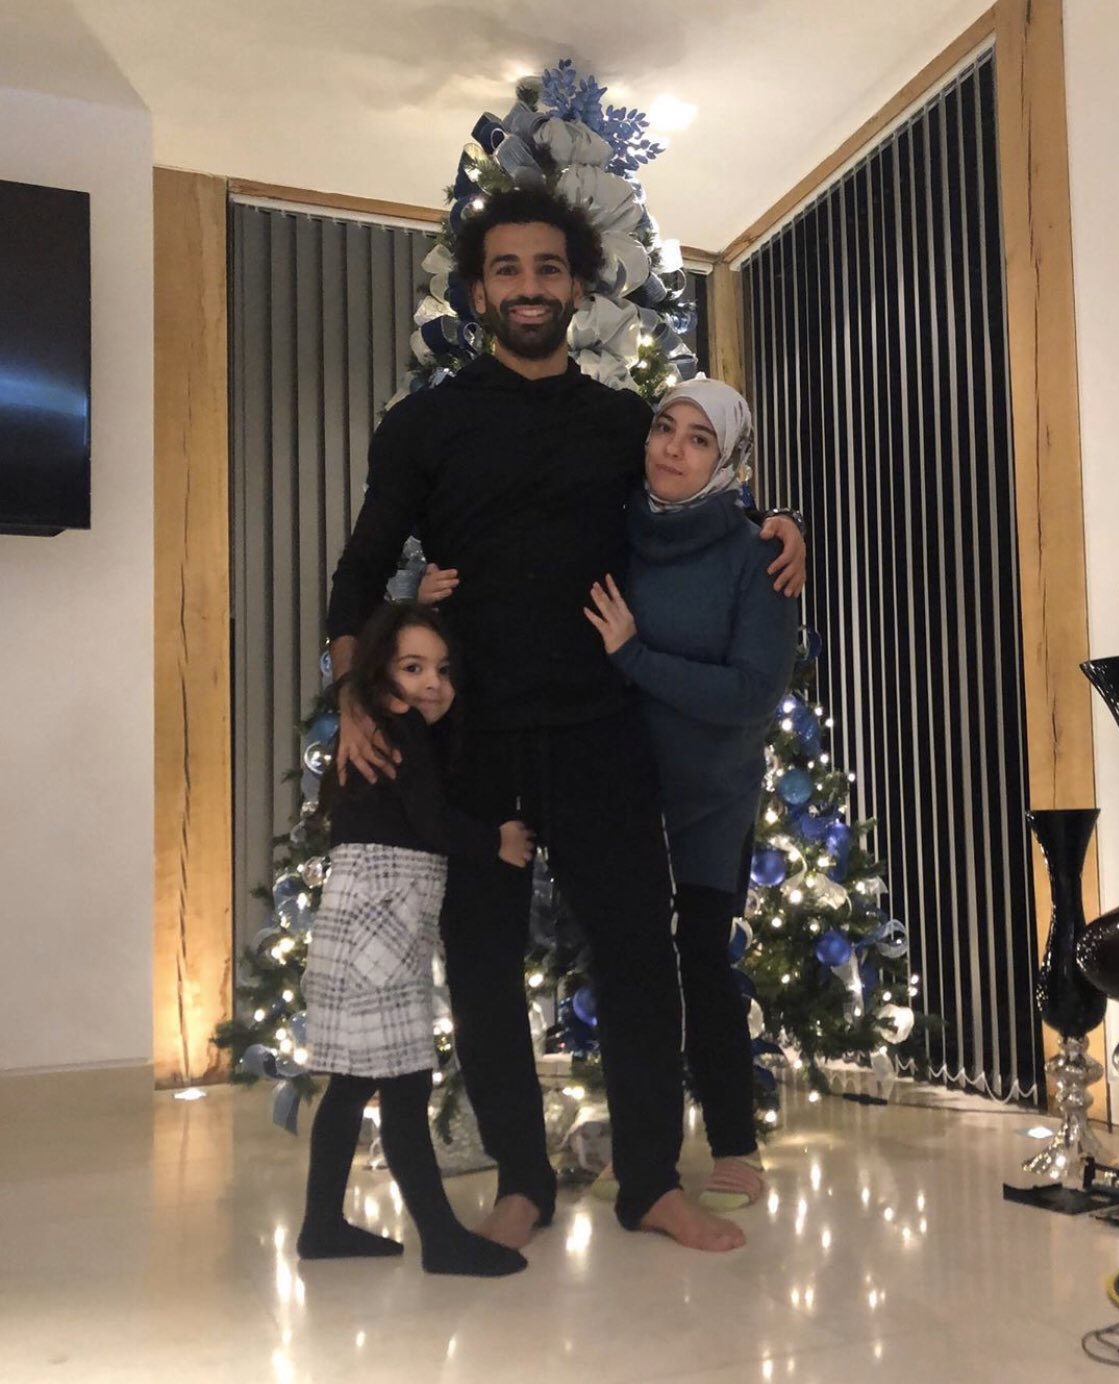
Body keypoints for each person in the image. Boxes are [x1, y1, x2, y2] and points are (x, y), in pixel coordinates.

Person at [326, 187, 804, 1253]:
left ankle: (650, 1184)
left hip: (601, 729)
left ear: (578, 285)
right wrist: (355, 695)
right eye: (507, 268)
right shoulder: (423, 426)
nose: (529, 286)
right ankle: (523, 1183)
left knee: (638, 959)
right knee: (482, 966)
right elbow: (361, 570)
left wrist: (780, 521)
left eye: (548, 267)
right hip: (474, 739)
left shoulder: (624, 423)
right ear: (477, 290)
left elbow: (698, 497)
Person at [583, 379, 798, 1210]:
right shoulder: (617, 531)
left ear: (728, 458)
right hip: (624, 787)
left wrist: (634, 656)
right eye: (664, 428)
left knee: (703, 964)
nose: (672, 448)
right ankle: (646, 1141)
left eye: (698, 438)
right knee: (632, 969)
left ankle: (735, 1144)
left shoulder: (757, 554)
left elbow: (751, 693)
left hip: (710, 796)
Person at [298, 601, 535, 1277]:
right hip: (382, 919)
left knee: (352, 1082)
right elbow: (430, 820)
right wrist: (496, 841)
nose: (432, 682)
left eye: (441, 669)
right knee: (403, 1082)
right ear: (379, 671)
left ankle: (322, 1226)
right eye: (413, 667)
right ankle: (441, 1239)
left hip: (367, 916)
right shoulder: (397, 730)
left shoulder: (384, 727)